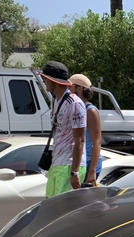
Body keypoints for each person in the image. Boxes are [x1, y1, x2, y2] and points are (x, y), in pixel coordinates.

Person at [39, 61, 87, 198]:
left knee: (63, 212)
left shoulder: (75, 104)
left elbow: (80, 140)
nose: (44, 81)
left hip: (69, 166)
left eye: (46, 79)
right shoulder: (54, 101)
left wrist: (75, 172)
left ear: (53, 81)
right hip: (57, 163)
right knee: (50, 207)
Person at [69, 73, 101, 185]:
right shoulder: (75, 108)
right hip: (80, 162)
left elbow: (97, 143)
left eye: (70, 87)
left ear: (79, 89)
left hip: (89, 162)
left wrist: (92, 171)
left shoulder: (90, 110)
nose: (68, 90)